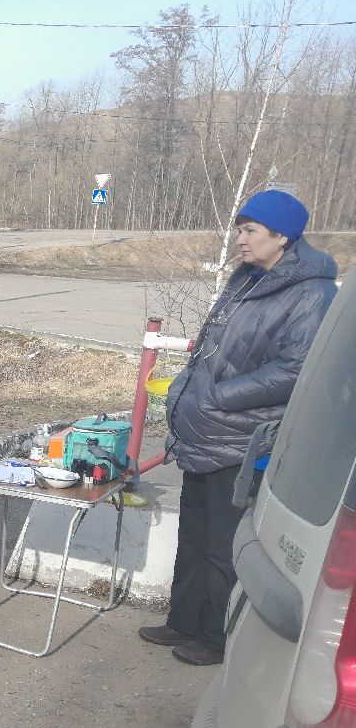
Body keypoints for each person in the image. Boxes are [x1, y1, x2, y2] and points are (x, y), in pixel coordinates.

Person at [141, 189, 337, 666]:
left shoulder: (313, 293)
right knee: (193, 533)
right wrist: (188, 385)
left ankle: (214, 637)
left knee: (222, 544)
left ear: (282, 236)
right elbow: (210, 344)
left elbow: (296, 370)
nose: (241, 241)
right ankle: (182, 621)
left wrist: (216, 396)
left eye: (250, 231)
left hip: (242, 439)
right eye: (240, 230)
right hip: (204, 429)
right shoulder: (247, 278)